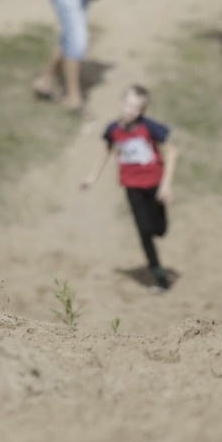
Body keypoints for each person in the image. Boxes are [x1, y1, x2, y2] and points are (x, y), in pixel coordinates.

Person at [81, 85, 177, 291]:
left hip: (154, 184)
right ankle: (159, 275)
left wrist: (166, 184)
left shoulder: (150, 128)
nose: (129, 111)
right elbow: (106, 152)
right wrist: (91, 178)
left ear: (142, 110)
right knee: (144, 231)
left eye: (135, 108)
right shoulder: (112, 130)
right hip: (132, 186)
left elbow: (171, 151)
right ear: (121, 103)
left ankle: (158, 227)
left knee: (159, 230)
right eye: (127, 105)